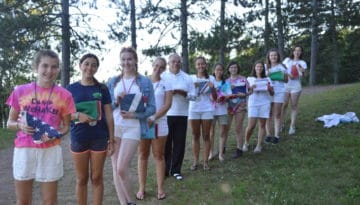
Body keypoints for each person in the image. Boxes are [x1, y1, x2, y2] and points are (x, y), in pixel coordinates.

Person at [6, 49, 75, 205]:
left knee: (50, 201)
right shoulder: (20, 91)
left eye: (54, 67)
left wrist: (56, 134)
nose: (49, 71)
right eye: (45, 66)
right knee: (23, 201)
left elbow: (66, 126)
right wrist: (20, 126)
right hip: (24, 150)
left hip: (50, 150)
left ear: (58, 69)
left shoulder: (65, 95)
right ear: (36, 67)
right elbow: (10, 123)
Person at [107, 47, 156, 205]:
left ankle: (131, 202)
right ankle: (124, 203)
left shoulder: (144, 82)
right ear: (120, 61)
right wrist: (116, 102)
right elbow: (106, 107)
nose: (126, 62)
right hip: (114, 127)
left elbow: (152, 108)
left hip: (133, 127)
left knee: (122, 167)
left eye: (129, 59)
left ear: (135, 60)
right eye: (123, 59)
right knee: (115, 167)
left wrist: (134, 115)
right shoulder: (113, 82)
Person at [66, 53, 115, 205]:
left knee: (97, 177)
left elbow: (109, 116)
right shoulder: (70, 89)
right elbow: (63, 115)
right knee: (81, 179)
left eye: (93, 65)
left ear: (97, 68)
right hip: (79, 138)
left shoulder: (102, 89)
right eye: (86, 63)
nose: (89, 67)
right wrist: (77, 115)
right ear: (80, 65)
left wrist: (112, 140)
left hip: (99, 138)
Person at [136, 57, 172, 200]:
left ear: (164, 69)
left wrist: (153, 117)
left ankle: (160, 189)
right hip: (144, 123)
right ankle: (141, 188)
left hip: (159, 123)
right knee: (143, 155)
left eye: (162, 67)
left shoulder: (166, 83)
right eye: (156, 65)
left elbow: (167, 105)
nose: (158, 68)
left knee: (159, 155)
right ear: (152, 65)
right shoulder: (142, 82)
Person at [163, 53, 195, 180]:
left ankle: (176, 170)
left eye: (178, 61)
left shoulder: (187, 78)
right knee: (166, 143)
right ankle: (165, 169)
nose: (176, 63)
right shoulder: (163, 77)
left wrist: (183, 93)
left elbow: (194, 96)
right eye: (173, 62)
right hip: (166, 115)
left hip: (182, 114)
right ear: (168, 63)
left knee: (179, 143)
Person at [189, 56, 217, 171]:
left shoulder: (211, 78)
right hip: (194, 109)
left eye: (203, 64)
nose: (201, 66)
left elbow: (215, 98)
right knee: (195, 135)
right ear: (195, 66)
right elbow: (189, 97)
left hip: (207, 109)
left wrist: (213, 88)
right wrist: (193, 88)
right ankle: (195, 161)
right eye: (198, 64)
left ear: (206, 65)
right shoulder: (191, 78)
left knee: (206, 135)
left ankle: (205, 162)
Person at [244, 61, 274, 153]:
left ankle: (258, 145)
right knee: (251, 126)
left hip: (265, 103)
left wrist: (269, 89)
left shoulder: (268, 79)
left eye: (261, 67)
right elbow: (247, 92)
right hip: (253, 103)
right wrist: (250, 88)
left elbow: (272, 93)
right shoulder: (249, 79)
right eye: (257, 66)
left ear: (263, 68)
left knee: (262, 125)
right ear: (254, 68)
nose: (259, 68)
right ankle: (246, 143)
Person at [264, 48, 288, 144]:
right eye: (271, 55)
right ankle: (268, 134)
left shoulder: (281, 66)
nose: (273, 57)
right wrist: (272, 75)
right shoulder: (265, 67)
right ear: (269, 57)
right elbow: (261, 78)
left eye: (275, 55)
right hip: (268, 92)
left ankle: (277, 135)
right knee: (268, 114)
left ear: (278, 57)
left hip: (279, 91)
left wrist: (276, 75)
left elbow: (286, 80)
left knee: (277, 114)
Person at [209, 63, 232, 162]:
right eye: (217, 70)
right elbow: (206, 95)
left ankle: (221, 153)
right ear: (214, 71)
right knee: (211, 133)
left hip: (222, 110)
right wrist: (213, 98)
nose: (219, 72)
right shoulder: (210, 82)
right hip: (211, 110)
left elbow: (229, 95)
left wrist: (224, 97)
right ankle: (210, 153)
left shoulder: (225, 83)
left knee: (222, 132)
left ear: (223, 71)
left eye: (221, 70)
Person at [226, 61, 249, 159]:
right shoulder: (226, 81)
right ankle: (222, 148)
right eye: (231, 67)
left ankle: (239, 149)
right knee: (225, 128)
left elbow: (249, 91)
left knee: (238, 128)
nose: (233, 69)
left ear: (237, 68)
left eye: (235, 67)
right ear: (228, 69)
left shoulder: (243, 79)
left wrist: (245, 94)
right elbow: (222, 94)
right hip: (228, 106)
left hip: (240, 106)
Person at [282, 45, 307, 135]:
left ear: (301, 52)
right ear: (293, 52)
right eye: (295, 50)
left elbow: (304, 75)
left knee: (294, 106)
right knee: (284, 105)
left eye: (299, 51)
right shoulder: (287, 60)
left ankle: (292, 126)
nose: (297, 52)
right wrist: (289, 75)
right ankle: (281, 123)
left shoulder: (302, 62)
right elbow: (282, 70)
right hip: (285, 85)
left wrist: (302, 71)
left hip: (296, 86)